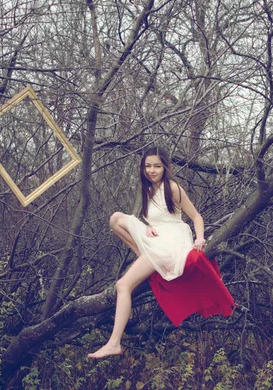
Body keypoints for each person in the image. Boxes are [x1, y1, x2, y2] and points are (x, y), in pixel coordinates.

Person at [88, 145, 206, 359]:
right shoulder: (147, 190)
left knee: (122, 285)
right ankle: (145, 258)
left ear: (165, 168)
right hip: (157, 238)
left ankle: (114, 343)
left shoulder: (172, 188)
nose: (152, 170)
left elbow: (196, 217)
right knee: (115, 219)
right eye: (147, 166)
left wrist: (200, 238)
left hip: (171, 243)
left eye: (157, 166)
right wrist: (148, 226)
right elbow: (157, 217)